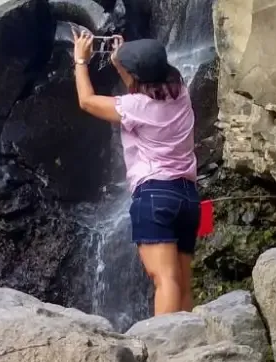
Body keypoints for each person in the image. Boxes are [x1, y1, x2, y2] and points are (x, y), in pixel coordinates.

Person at [72, 28, 200, 316]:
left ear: (137, 77)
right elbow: (142, 83)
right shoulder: (181, 93)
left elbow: (87, 101)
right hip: (189, 199)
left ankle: (164, 341)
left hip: (155, 196)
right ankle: (190, 338)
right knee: (182, 283)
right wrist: (121, 63)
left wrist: (80, 61)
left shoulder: (135, 107)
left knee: (165, 279)